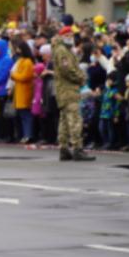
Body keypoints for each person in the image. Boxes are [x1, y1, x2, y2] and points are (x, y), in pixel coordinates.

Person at [52, 26, 93, 161]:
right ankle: (77, 149)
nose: (72, 37)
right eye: (69, 35)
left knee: (64, 120)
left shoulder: (62, 49)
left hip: (64, 90)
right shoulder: (63, 51)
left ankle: (64, 149)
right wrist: (81, 78)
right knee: (75, 119)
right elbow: (68, 70)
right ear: (63, 36)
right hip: (68, 90)